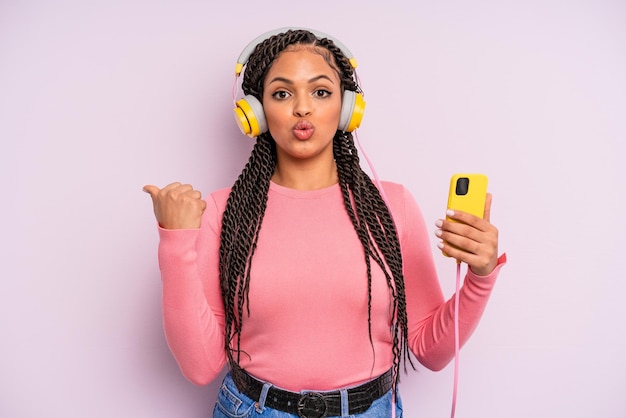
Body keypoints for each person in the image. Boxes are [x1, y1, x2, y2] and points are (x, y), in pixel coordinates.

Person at [144, 28, 506, 418]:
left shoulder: (391, 206)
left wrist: (480, 277)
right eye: (282, 93)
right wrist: (175, 241)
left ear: (348, 106)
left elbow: (430, 351)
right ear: (256, 112)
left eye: (320, 92)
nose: (303, 108)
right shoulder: (223, 211)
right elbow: (200, 367)